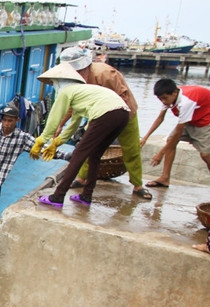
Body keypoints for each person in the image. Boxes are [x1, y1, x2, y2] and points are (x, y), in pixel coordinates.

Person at [57, 46, 151, 200]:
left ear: (86, 66)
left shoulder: (105, 73)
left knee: (132, 149)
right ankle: (82, 178)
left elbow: (123, 96)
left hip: (125, 113)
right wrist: (61, 124)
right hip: (97, 115)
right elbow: (71, 104)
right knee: (90, 148)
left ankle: (138, 185)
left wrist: (112, 123)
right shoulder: (75, 81)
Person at [32, 63, 130, 208]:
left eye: (53, 83)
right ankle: (86, 195)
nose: (53, 85)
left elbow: (54, 116)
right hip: (123, 114)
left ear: (59, 81)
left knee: (78, 154)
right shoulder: (81, 93)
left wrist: (42, 139)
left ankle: (58, 196)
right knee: (95, 155)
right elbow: (74, 123)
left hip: (106, 113)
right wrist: (57, 142)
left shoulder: (66, 91)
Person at [140, 79, 210, 187]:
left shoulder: (186, 102)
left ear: (174, 93)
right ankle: (165, 178)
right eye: (160, 99)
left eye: (165, 98)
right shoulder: (169, 98)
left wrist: (161, 153)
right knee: (170, 140)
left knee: (206, 155)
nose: (163, 101)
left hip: (205, 121)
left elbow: (179, 131)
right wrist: (145, 137)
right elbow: (160, 118)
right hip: (192, 119)